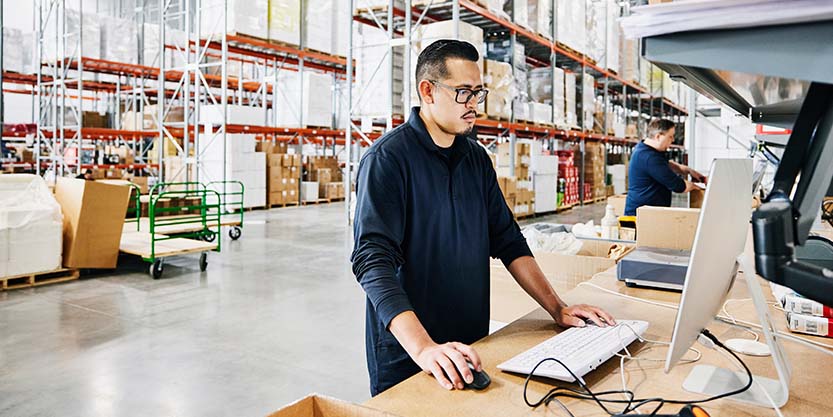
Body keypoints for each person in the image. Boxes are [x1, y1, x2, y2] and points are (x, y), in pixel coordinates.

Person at [350, 39, 616, 396]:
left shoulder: (476, 160)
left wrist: (558, 308)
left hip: (472, 344)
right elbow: (372, 262)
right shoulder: (388, 160)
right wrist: (424, 348)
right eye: (463, 93)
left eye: (478, 92)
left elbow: (508, 239)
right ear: (427, 91)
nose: (474, 105)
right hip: (410, 354)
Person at [624, 119, 706, 216]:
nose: (673, 140)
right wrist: (699, 187)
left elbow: (666, 164)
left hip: (649, 213)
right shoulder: (649, 158)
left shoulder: (645, 148)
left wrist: (688, 170)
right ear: (658, 136)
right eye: (670, 137)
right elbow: (679, 186)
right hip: (641, 216)